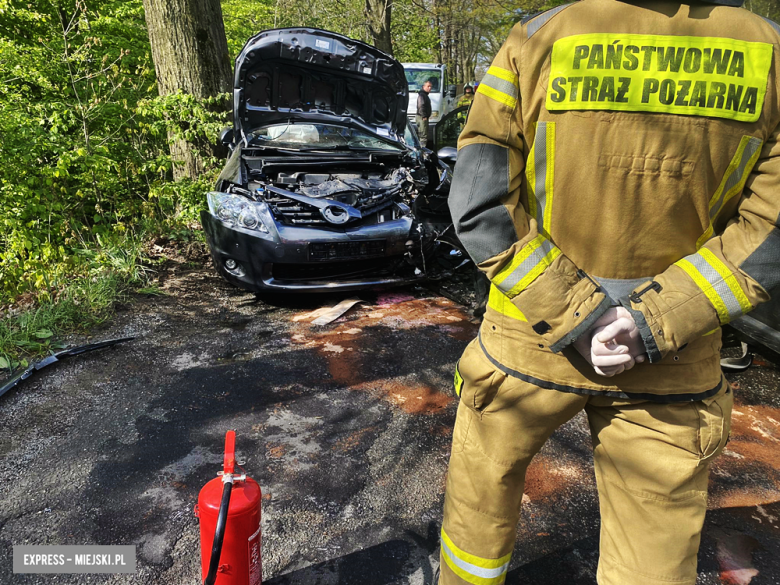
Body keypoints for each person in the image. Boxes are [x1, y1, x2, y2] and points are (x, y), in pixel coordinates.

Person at [440, 1, 780, 584]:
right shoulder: (769, 52)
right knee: (652, 560)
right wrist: (651, 321)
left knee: (479, 514)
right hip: (671, 366)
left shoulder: (538, 38)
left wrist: (578, 314)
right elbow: (768, 231)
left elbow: (481, 202)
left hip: (526, 346)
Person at [416, 79, 433, 147]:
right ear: (423, 87)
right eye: (428, 86)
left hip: (423, 117)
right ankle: (422, 152)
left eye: (431, 86)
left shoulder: (425, 95)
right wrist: (424, 116)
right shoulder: (422, 95)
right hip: (422, 117)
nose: (430, 88)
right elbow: (421, 106)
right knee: (423, 136)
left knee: (424, 135)